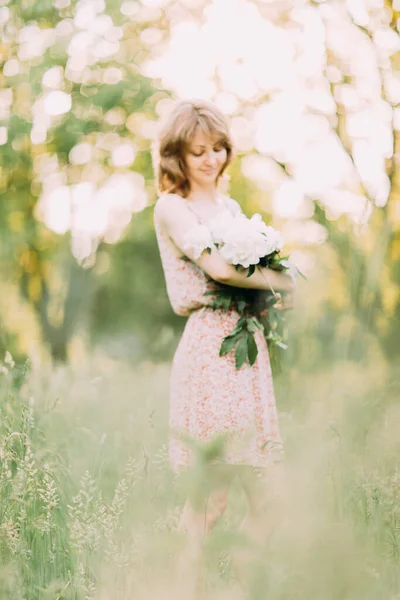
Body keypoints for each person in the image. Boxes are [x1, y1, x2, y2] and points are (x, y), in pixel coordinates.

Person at [152, 99, 294, 593]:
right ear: (177, 157)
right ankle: (184, 590)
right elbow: (217, 270)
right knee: (210, 497)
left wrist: (273, 297)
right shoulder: (172, 206)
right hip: (210, 347)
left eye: (217, 148)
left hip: (246, 345)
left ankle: (241, 589)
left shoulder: (232, 210)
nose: (210, 159)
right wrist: (284, 280)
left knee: (263, 493)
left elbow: (248, 278)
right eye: (198, 151)